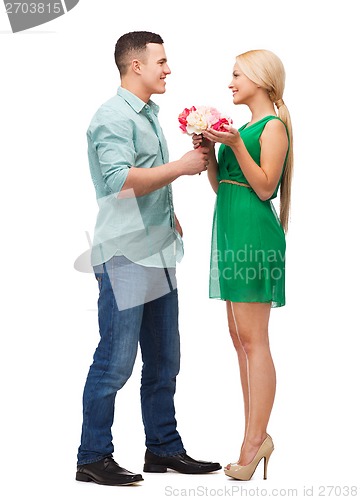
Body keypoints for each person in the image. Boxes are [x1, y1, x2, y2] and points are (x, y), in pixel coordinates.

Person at [76, 31, 221, 486]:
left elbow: (143, 177)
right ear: (134, 66)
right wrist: (179, 167)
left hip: (158, 251)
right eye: (160, 61)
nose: (168, 68)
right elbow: (118, 180)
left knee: (165, 361)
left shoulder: (149, 115)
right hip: (124, 255)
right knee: (115, 362)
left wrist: (169, 214)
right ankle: (92, 456)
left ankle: (162, 448)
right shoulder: (112, 116)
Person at [194, 49, 293, 481]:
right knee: (239, 338)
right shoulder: (247, 128)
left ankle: (254, 442)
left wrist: (235, 142)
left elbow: (266, 186)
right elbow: (225, 187)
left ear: (259, 78)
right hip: (232, 233)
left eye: (236, 75)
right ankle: (253, 438)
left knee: (254, 340)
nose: (230, 82)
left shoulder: (271, 127)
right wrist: (211, 152)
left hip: (253, 236)